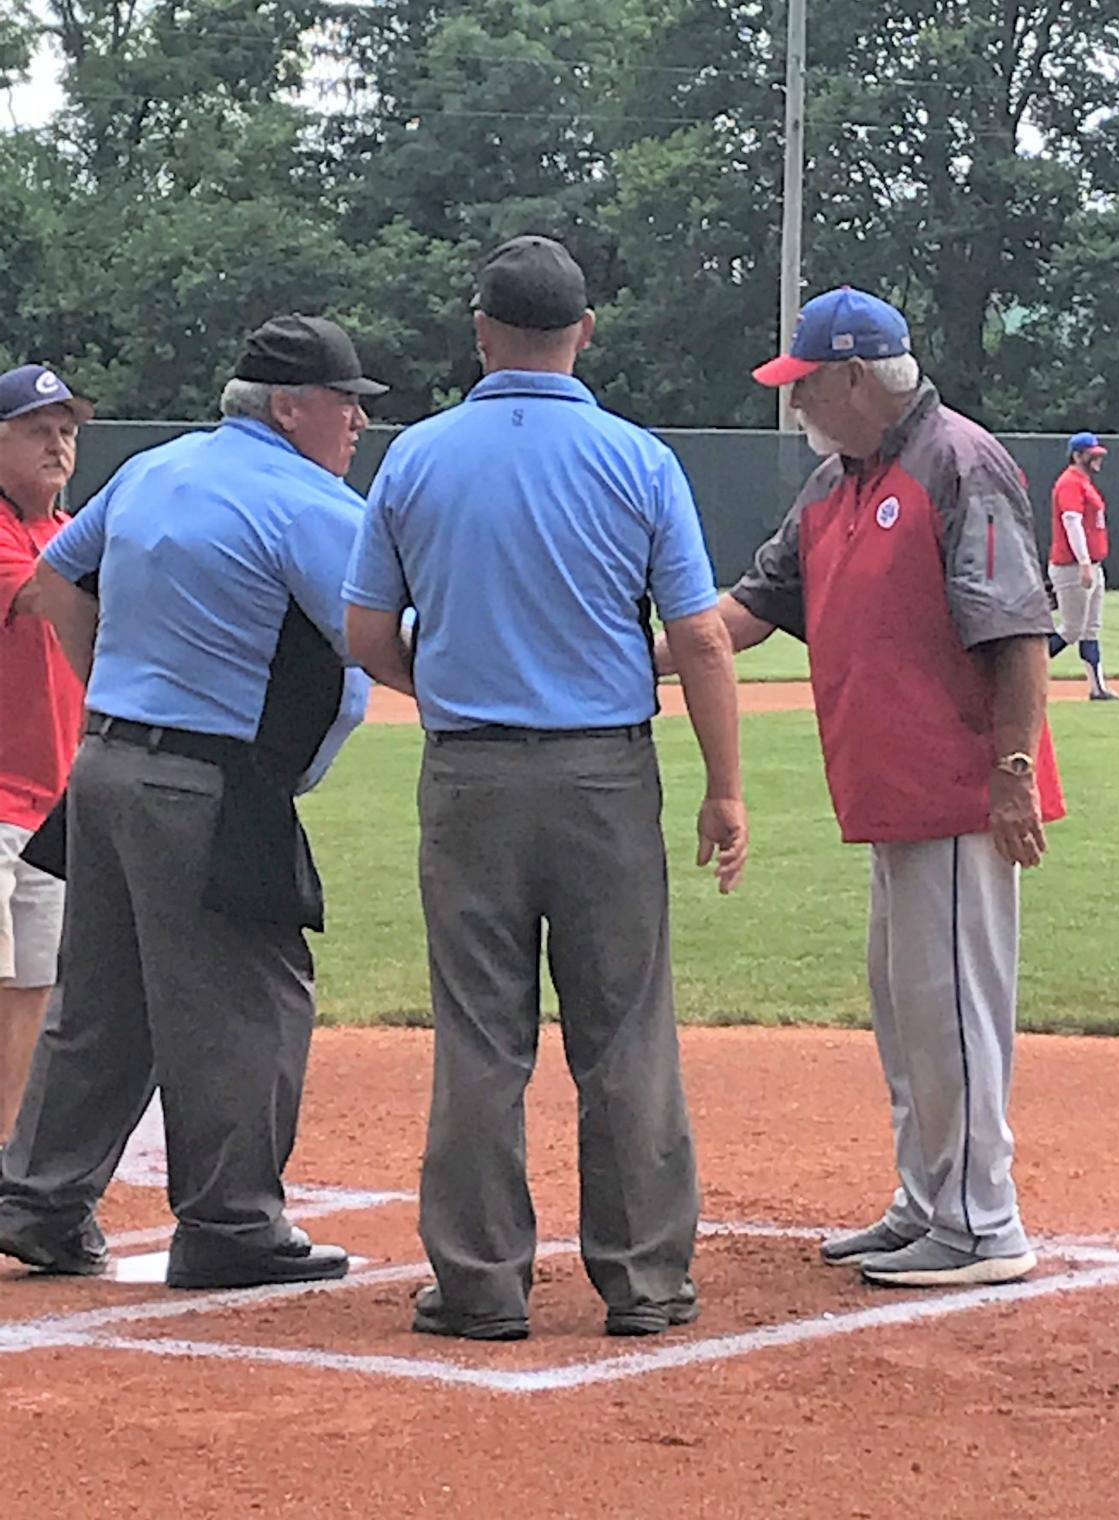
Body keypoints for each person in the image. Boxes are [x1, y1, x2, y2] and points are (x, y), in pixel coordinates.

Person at [344, 235, 747, 1341]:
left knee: (481, 1033)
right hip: (605, 773)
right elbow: (702, 639)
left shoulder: (415, 457)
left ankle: (479, 1282)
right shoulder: (639, 458)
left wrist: (443, 678)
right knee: (625, 1032)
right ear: (585, 330)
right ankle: (646, 1280)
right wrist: (724, 787)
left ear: (480, 332)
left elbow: (367, 632)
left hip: (469, 769)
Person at [658, 286, 1065, 1288]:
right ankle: (928, 1199)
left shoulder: (957, 462)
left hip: (960, 790)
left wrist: (1011, 774)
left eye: (802, 385)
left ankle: (982, 1219)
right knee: (907, 1005)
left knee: (954, 1007)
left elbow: (1018, 630)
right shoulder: (840, 482)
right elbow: (742, 614)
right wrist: (624, 658)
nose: (793, 405)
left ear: (850, 377)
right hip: (889, 791)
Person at [0, 314, 381, 1289]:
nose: (356, 428)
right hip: (206, 780)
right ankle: (229, 1223)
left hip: (107, 768)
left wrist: (107, 698)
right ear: (292, 408)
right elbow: (375, 641)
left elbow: (52, 581)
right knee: (253, 995)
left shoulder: (155, 469)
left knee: (103, 1001)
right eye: (346, 406)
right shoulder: (308, 501)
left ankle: (39, 1200)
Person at [0, 366, 92, 1152]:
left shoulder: (65, 535)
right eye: (38, 429)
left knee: (31, 984)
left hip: (49, 802)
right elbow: (40, 596)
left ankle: (4, 1155)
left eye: (66, 430)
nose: (59, 444)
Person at [1048, 431, 1119, 700]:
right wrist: (1083, 563)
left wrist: (1090, 564)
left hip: (1090, 564)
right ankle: (1023, 674)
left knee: (1090, 628)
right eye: (1092, 455)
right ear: (1078, 456)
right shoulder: (1070, 482)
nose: (1098, 459)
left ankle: (1097, 688)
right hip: (1073, 566)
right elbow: (1071, 521)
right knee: (1071, 629)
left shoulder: (1083, 481)